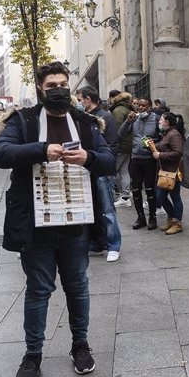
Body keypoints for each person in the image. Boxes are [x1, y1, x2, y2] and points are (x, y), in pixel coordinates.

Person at [0, 61, 115, 377]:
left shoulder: (86, 123)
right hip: (36, 226)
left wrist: (88, 158)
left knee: (78, 288)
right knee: (38, 290)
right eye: (51, 86)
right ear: (40, 89)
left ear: (70, 86)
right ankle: (33, 355)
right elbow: (0, 153)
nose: (58, 90)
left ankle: (80, 346)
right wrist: (41, 150)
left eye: (63, 84)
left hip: (76, 224)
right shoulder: (25, 121)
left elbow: (109, 161)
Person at [77, 86, 121, 262]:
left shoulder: (105, 117)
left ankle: (114, 245)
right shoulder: (85, 118)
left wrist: (100, 161)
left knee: (108, 210)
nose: (78, 103)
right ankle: (98, 243)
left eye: (80, 99)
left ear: (88, 99)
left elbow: (112, 145)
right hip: (90, 169)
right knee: (95, 209)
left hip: (103, 171)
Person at [118, 97, 159, 230]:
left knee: (149, 189)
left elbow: (163, 138)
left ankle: (152, 217)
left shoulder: (156, 119)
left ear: (150, 107)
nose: (140, 108)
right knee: (135, 189)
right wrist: (127, 121)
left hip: (149, 159)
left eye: (144, 105)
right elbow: (121, 134)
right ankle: (140, 217)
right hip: (135, 158)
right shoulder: (134, 119)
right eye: (139, 106)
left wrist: (155, 146)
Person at [153, 112, 184, 235]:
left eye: (161, 119)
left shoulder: (174, 135)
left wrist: (161, 155)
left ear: (167, 122)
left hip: (173, 172)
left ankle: (177, 223)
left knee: (175, 197)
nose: (159, 121)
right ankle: (172, 219)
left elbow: (178, 152)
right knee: (160, 196)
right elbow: (163, 146)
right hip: (165, 171)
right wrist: (151, 146)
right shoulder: (167, 134)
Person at [109, 89, 134, 207]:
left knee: (116, 169)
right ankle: (126, 194)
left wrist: (114, 143)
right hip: (128, 144)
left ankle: (124, 196)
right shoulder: (128, 108)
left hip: (121, 145)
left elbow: (117, 129)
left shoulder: (118, 110)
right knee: (124, 170)